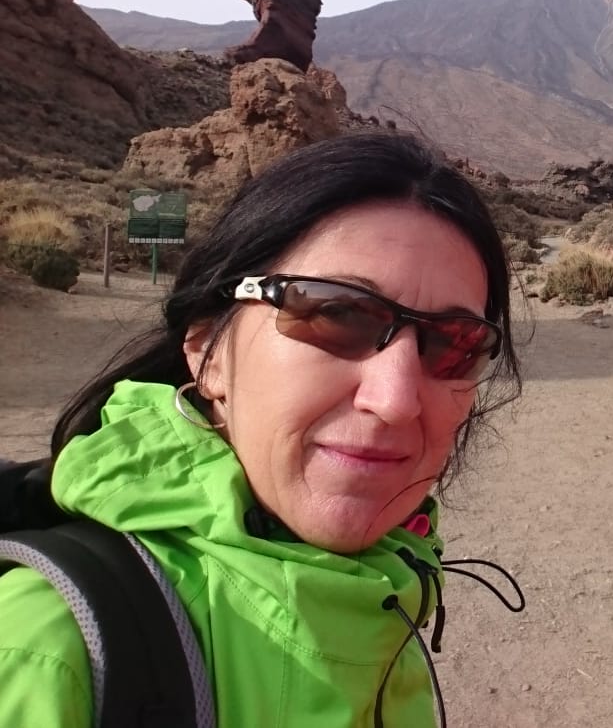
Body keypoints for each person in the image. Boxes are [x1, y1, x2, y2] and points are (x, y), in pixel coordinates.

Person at [0, 129, 522, 726]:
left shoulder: (385, 594)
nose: (396, 400)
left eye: (455, 343)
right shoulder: (46, 652)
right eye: (336, 312)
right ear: (207, 350)